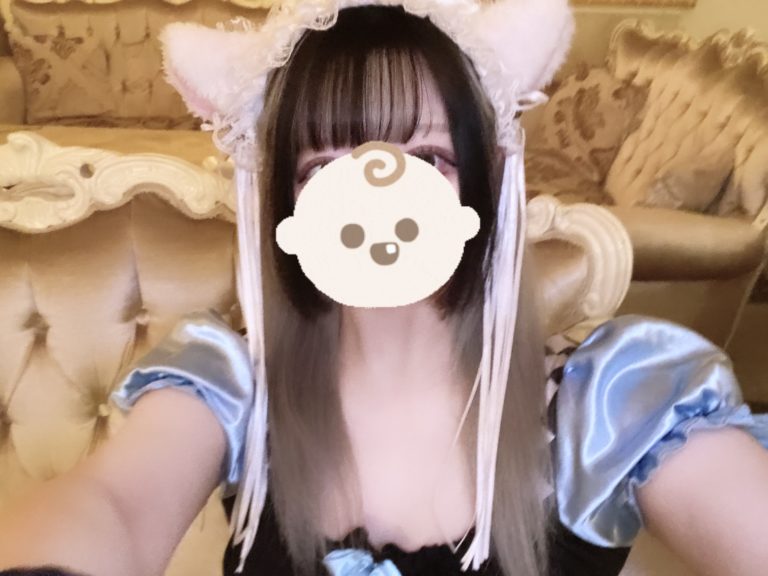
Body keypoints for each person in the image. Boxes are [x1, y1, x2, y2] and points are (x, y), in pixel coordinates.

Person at [1, 2, 767, 576]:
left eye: (426, 158)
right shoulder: (228, 387)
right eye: (321, 167)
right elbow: (116, 503)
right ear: (282, 206)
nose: (375, 199)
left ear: (486, 183)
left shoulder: (614, 403)